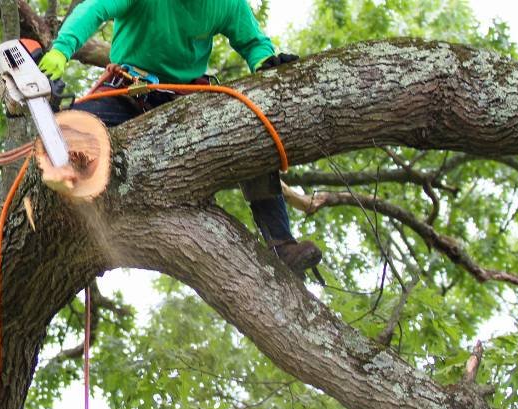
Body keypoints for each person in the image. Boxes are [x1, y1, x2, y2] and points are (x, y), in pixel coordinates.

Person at [38, 0, 321, 274]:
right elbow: (94, 8)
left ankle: (282, 244)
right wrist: (62, 49)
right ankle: (58, 222)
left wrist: (264, 62)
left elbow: (253, 42)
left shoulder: (226, 3)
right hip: (126, 93)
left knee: (250, 132)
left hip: (184, 102)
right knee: (66, 136)